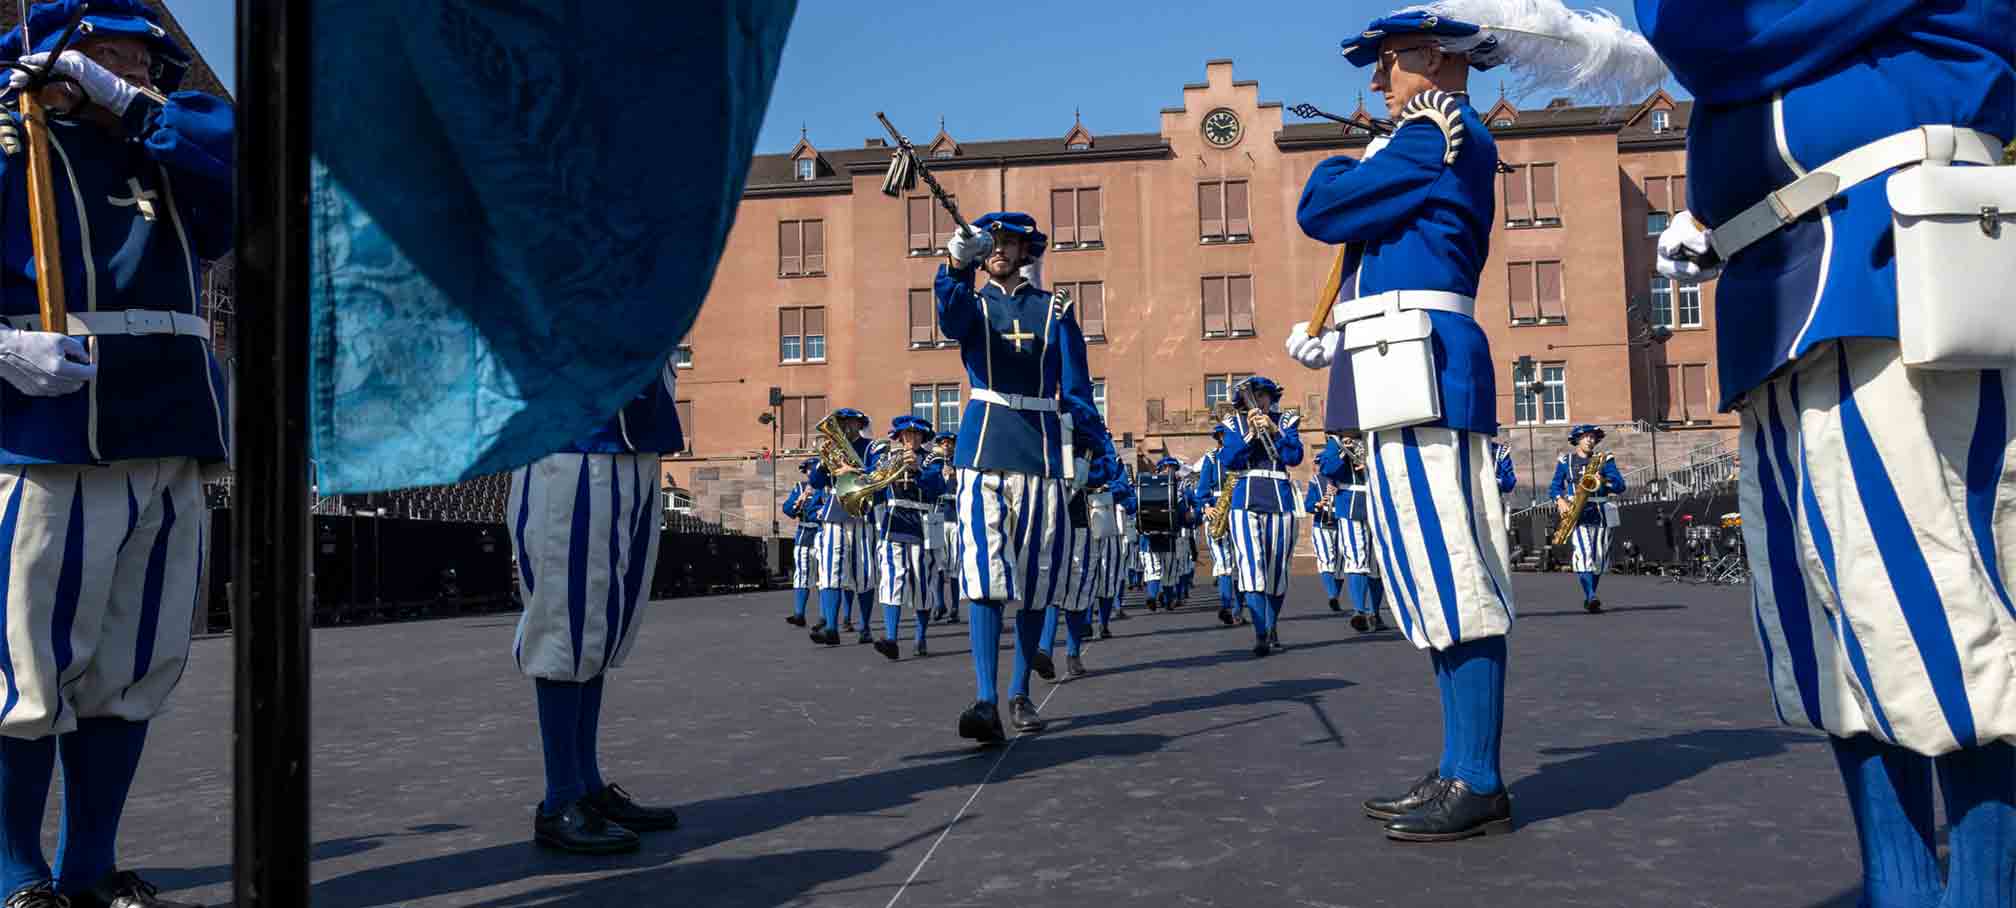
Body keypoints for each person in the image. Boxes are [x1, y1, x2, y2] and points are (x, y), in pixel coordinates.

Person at [1640, 2, 2016, 904]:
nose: (1381, 79)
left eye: (1395, 59)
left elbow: (1707, 29)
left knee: (1942, 624)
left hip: (1881, 268)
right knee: (1839, 646)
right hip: (1794, 284)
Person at [1283, 1, 1658, 841]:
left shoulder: (1436, 132)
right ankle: (1461, 764)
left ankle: (1480, 776)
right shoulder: (1414, 138)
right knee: (1427, 576)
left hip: (1425, 370)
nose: (1378, 80)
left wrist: (1344, 161)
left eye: (1392, 60)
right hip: (1395, 365)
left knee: (1456, 574)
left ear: (1441, 58)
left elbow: (1322, 209)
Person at [0, 2, 231, 904]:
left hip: (168, 428)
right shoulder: (11, 141)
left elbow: (257, 179)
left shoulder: (164, 146)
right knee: (28, 672)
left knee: (132, 671)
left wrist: (132, 106)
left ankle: (89, 869)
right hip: (49, 434)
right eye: (110, 50)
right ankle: (17, 875)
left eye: (141, 56)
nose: (134, 67)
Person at [935, 211, 1114, 742]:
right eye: (990, 242)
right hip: (984, 446)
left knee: (1037, 578)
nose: (998, 249)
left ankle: (1019, 692)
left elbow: (1077, 388)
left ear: (1024, 251)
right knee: (985, 575)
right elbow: (950, 320)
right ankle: (985, 700)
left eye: (1008, 242)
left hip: (1041, 451)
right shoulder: (972, 302)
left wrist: (1092, 450)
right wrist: (953, 266)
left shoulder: (1055, 309)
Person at [507, 354, 685, 856]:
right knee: (567, 621)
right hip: (573, 440)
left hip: (634, 439)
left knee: (600, 626)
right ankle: (560, 799)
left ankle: (585, 785)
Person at [1217, 377, 1305, 656]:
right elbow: (1230, 460)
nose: (1259, 401)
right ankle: (1260, 633)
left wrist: (1275, 431)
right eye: (1253, 396)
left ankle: (1271, 623)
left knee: (1277, 571)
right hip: (1246, 499)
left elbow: (1294, 457)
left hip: (1280, 498)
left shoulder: (1286, 421)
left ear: (1271, 397)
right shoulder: (1234, 424)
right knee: (1251, 568)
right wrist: (1251, 435)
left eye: (1263, 395)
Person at [871, 416, 950, 660]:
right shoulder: (888, 458)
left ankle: (920, 636)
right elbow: (873, 483)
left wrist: (917, 469)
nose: (910, 439)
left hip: (922, 522)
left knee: (921, 581)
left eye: (915, 435)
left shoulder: (932, 459)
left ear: (922, 437)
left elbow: (937, 487)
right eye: (906, 434)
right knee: (891, 578)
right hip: (893, 521)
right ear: (899, 436)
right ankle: (891, 638)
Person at [805, 408, 873, 646]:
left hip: (862, 509)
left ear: (859, 424)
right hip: (835, 511)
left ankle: (865, 627)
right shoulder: (833, 449)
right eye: (841, 422)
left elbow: (878, 473)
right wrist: (823, 462)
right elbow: (815, 482)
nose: (844, 426)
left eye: (849, 422)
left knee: (863, 571)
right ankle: (831, 628)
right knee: (831, 571)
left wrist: (853, 470)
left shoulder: (871, 447)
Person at [1548, 425, 1625, 613]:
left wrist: (1604, 480)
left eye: (1593, 437)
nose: (1590, 440)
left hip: (1600, 512)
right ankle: (1591, 595)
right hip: (1577, 512)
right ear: (1577, 440)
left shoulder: (1605, 459)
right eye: (1586, 437)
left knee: (1599, 558)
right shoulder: (1565, 461)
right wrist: (1559, 500)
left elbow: (1620, 485)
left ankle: (1591, 596)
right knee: (1584, 554)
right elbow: (1555, 486)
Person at [1196, 426, 1244, 625]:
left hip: (1240, 511)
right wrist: (1205, 507)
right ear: (1220, 437)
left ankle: (1238, 610)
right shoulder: (1211, 458)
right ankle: (1226, 607)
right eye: (1224, 435)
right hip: (1218, 512)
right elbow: (1201, 491)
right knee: (1224, 562)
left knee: (1241, 564)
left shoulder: (1244, 456)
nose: (1227, 438)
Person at [1137, 457, 1190, 612]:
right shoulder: (1172, 492)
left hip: (1161, 536)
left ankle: (1160, 598)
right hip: (1158, 537)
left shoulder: (1175, 491)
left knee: (1162, 569)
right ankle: (1158, 598)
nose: (1169, 471)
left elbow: (1135, 507)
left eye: (1172, 468)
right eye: (1167, 468)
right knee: (1161, 570)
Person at [782, 458, 824, 628]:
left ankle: (824, 617)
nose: (809, 473)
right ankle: (799, 614)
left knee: (824, 577)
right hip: (805, 535)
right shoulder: (800, 487)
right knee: (802, 574)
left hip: (822, 533)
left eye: (811, 470)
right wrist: (799, 500)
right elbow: (787, 509)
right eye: (807, 470)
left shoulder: (826, 487)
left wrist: (812, 507)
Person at [927, 432, 960, 624]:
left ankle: (955, 607)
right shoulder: (933, 463)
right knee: (936, 563)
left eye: (949, 443)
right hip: (936, 516)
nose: (946, 446)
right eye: (943, 443)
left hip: (955, 517)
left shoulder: (960, 463)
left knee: (955, 564)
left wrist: (955, 474)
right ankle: (939, 603)